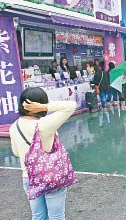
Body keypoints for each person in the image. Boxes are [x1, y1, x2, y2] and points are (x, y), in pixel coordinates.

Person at [9, 87, 77, 220]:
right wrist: (44, 106)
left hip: (29, 178)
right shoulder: (44, 124)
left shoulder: (14, 127)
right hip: (51, 177)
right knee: (56, 216)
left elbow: (16, 153)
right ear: (40, 103)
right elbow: (71, 106)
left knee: (38, 216)